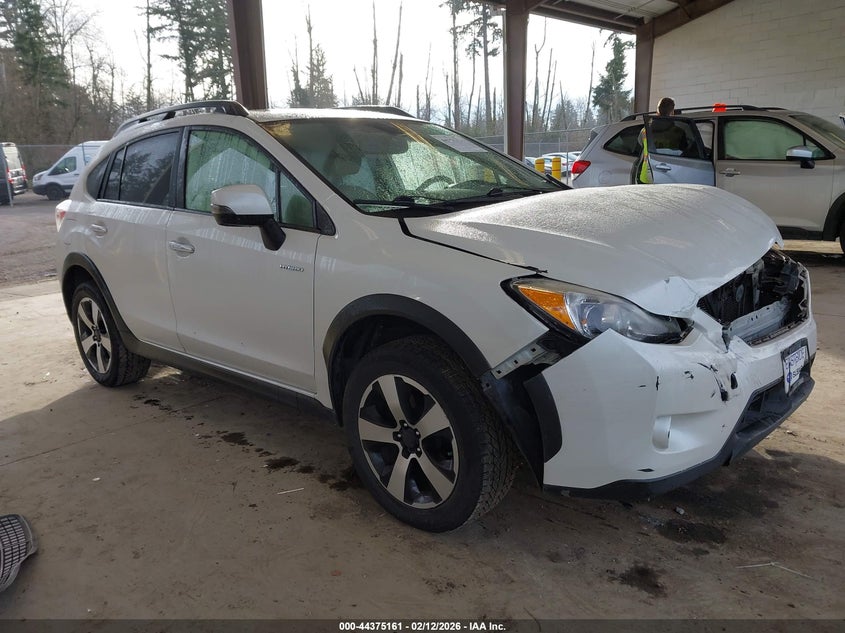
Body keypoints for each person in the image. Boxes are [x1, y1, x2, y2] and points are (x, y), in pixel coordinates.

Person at [633, 97, 686, 184]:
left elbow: (638, 148)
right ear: (672, 111)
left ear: (657, 111)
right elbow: (686, 154)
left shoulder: (644, 131)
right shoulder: (679, 132)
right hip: (672, 175)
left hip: (647, 175)